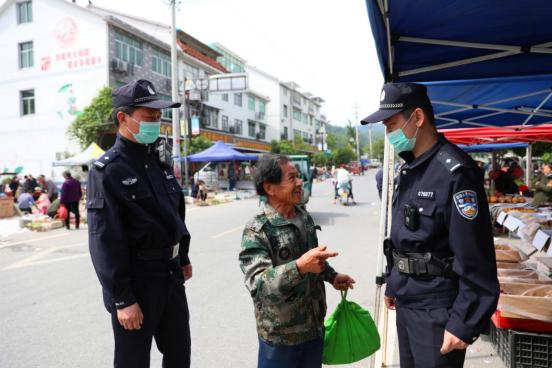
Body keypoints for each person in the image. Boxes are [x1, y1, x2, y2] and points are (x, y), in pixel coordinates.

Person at [361, 83, 499, 368]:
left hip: (438, 309)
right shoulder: (409, 169)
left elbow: (475, 257)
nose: (389, 134)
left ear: (418, 118)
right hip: (408, 300)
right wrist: (393, 283)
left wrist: (464, 322)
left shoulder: (456, 173)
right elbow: (403, 236)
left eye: (391, 125)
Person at [87, 79, 192, 368]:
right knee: (133, 361)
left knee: (179, 355)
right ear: (124, 118)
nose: (156, 124)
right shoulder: (107, 171)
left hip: (170, 276)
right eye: (149, 118)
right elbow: (104, 240)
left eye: (159, 118)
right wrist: (122, 299)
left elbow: (174, 213)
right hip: (137, 281)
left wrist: (182, 255)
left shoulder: (159, 163)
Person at [239, 154, 355, 368]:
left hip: (313, 330)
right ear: (270, 188)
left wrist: (331, 276)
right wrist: (299, 266)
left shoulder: (303, 216)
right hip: (281, 339)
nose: (300, 182)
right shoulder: (257, 230)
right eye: (292, 178)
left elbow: (312, 259)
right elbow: (258, 285)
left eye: (299, 177)